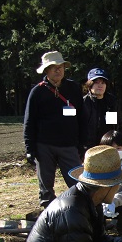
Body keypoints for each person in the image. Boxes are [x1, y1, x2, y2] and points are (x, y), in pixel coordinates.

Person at [24, 51, 84, 208]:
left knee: (78, 184)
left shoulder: (74, 88)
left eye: (61, 66)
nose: (58, 70)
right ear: (46, 70)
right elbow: (29, 122)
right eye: (53, 67)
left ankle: (78, 211)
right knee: (46, 187)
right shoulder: (37, 92)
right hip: (44, 145)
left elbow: (82, 117)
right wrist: (30, 148)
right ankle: (48, 216)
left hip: (69, 145)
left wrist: (82, 143)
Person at [82, 68, 122, 150]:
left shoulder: (112, 102)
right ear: (89, 85)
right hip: (89, 149)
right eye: (96, 82)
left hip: (110, 147)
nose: (100, 85)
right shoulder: (83, 103)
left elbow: (120, 125)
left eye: (103, 83)